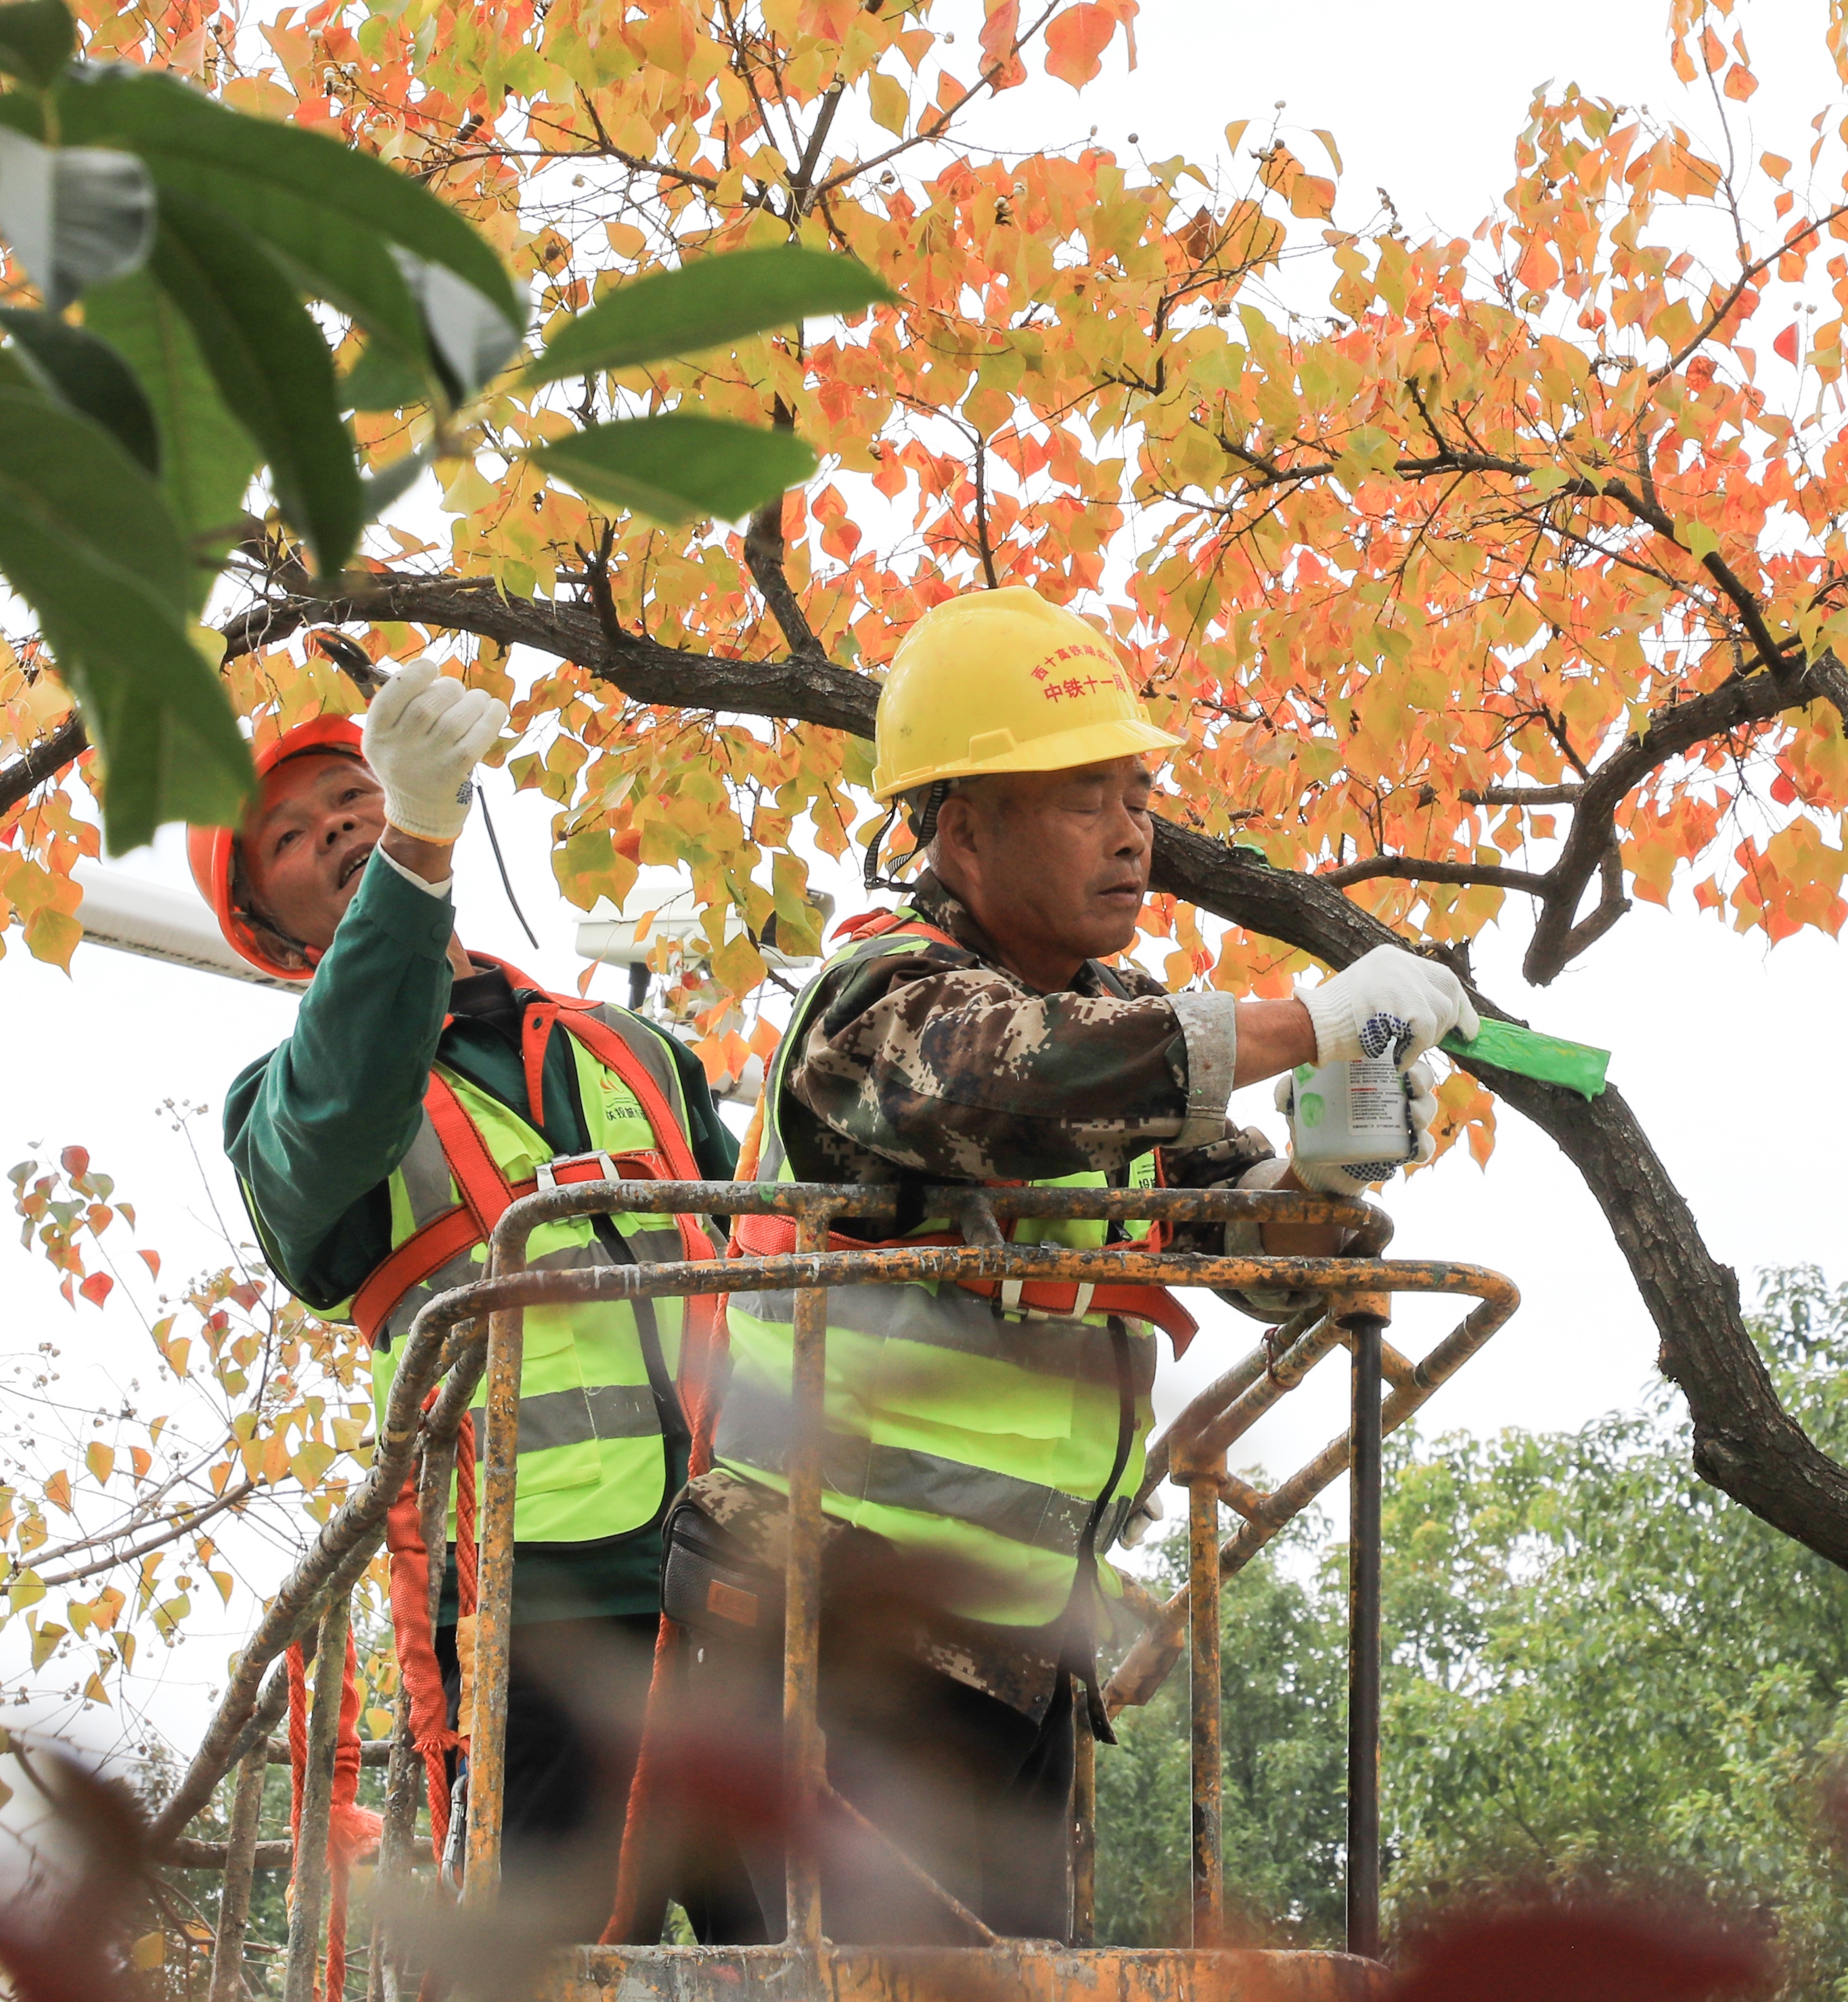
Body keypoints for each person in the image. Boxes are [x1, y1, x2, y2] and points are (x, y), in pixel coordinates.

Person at [663, 585, 1476, 1943]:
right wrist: (1299, 1019)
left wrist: (1334, 1168)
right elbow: (1013, 1078)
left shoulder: (1121, 1033)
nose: (1132, 828)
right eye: (1084, 794)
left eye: (1139, 790)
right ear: (962, 828)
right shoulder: (881, 1004)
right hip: (816, 1629)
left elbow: (1266, 1249)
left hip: (1008, 1657)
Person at [198, 661, 740, 1938]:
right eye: (291, 832)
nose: (336, 822)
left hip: (733, 1586)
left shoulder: (632, 1048)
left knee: (800, 1963)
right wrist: (415, 853)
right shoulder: (288, 1112)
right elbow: (337, 1106)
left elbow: (768, 1251)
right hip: (528, 1619)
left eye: (354, 795)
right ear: (276, 937)